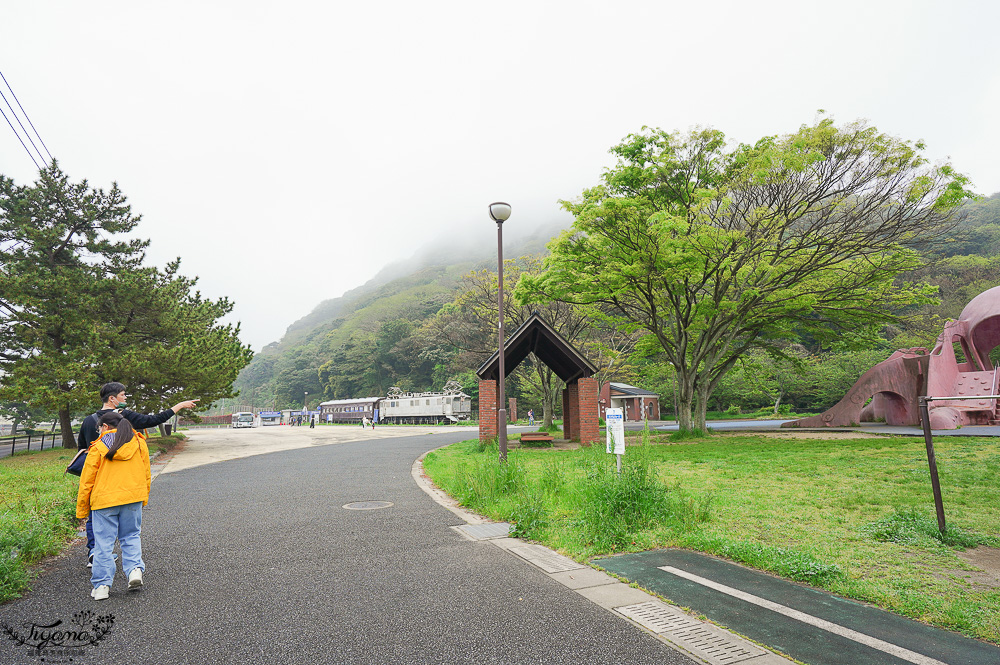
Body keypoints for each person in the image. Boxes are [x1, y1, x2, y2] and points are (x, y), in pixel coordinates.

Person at [77, 382, 198, 567]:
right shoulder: (124, 417)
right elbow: (153, 420)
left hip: (98, 482)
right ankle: (132, 566)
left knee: (97, 518)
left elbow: (83, 451)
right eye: (123, 395)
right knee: (129, 532)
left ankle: (96, 553)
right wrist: (179, 406)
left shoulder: (88, 421)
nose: (125, 398)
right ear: (113, 399)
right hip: (125, 484)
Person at [76, 411, 151, 601]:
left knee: (103, 544)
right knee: (131, 536)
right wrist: (143, 497)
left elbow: (87, 481)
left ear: (106, 427)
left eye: (99, 427)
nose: (98, 431)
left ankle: (102, 586)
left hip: (104, 501)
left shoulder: (98, 446)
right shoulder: (138, 442)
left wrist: (83, 509)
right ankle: (134, 571)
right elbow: (146, 473)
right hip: (132, 497)